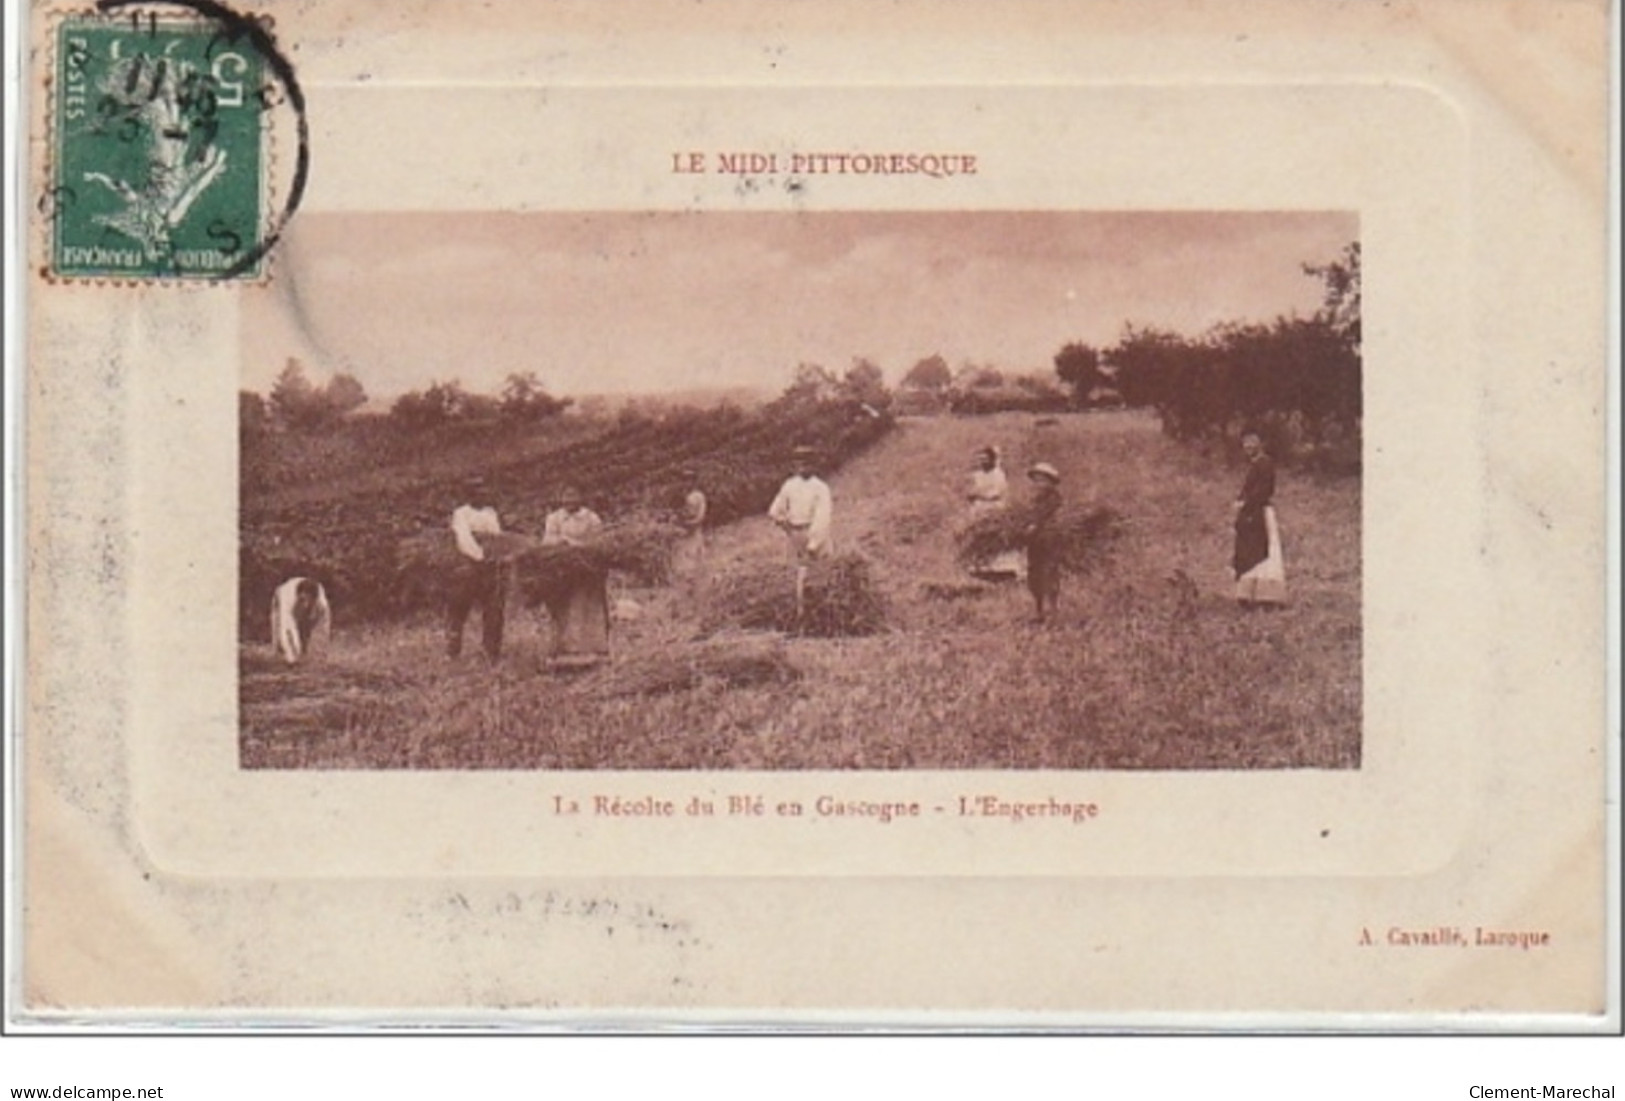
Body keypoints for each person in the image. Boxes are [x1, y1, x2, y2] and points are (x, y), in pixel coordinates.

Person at [541, 486, 610, 668]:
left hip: (587, 570)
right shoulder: (554, 519)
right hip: (561, 572)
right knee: (563, 609)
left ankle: (591, 650)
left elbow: (598, 543)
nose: (570, 501)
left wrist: (575, 546)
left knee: (587, 606)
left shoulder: (591, 518)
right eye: (566, 496)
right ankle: (563, 651)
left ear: (581, 498)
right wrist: (560, 546)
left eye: (574, 496)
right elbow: (547, 543)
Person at [768, 445, 833, 622]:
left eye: (807, 463)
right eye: (799, 463)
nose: (803, 467)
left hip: (813, 534)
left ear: (814, 465)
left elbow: (823, 517)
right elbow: (775, 509)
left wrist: (813, 544)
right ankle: (798, 616)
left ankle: (821, 616)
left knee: (818, 575)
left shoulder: (820, 487)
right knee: (795, 575)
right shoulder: (789, 485)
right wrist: (784, 524)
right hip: (794, 535)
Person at [447, 477, 508, 660]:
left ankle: (491, 651)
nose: (482, 495)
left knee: (494, 608)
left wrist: (496, 556)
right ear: (469, 495)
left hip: (491, 566)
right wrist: (480, 556)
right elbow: (464, 539)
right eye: (477, 492)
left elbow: (497, 537)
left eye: (484, 492)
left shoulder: (490, 513)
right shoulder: (462, 513)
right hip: (469, 565)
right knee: (459, 608)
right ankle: (453, 650)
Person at [1232, 430, 1288, 608]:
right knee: (1248, 550)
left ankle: (1263, 595)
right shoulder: (1256, 464)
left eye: (1252, 443)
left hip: (1258, 512)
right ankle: (1249, 593)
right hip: (1252, 511)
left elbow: (1263, 491)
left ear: (1260, 444)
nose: (1248, 446)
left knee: (1259, 551)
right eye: (1245, 443)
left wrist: (1246, 504)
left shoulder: (1265, 464)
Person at [966, 445, 1024, 581]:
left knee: (995, 537)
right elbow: (970, 491)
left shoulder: (999, 475)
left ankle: (1002, 569)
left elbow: (996, 493)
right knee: (979, 537)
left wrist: (980, 495)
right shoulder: (977, 475)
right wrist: (973, 495)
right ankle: (981, 567)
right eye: (980, 459)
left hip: (994, 509)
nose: (982, 462)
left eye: (985, 459)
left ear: (992, 460)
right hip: (978, 510)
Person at [1025, 462, 1063, 624]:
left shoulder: (1054, 498)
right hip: (1035, 542)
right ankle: (1039, 611)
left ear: (1050, 482)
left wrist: (1034, 525)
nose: (1038, 484)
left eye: (1042, 480)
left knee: (1049, 574)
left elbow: (1045, 515)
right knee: (1034, 575)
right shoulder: (1034, 500)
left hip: (1050, 540)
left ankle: (1052, 612)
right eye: (1035, 480)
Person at [270, 576, 330, 664]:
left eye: (308, 600)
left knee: (306, 630)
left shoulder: (322, 604)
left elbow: (322, 630)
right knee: (280, 629)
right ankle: (281, 655)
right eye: (303, 600)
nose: (305, 604)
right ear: (299, 596)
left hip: (309, 603)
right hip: (282, 597)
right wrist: (291, 658)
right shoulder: (287, 597)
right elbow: (287, 627)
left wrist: (320, 655)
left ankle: (303, 654)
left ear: (314, 599)